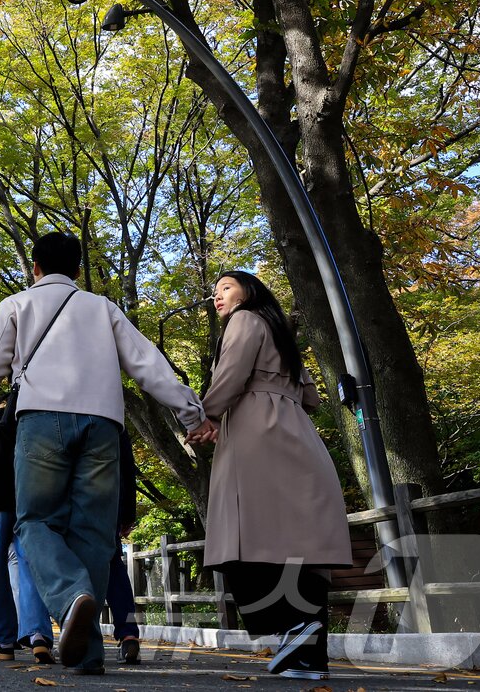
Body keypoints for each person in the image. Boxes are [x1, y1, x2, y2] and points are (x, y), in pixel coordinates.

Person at [0, 232, 214, 675]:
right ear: (79, 271)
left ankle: (70, 598)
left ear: (35, 267)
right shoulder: (103, 308)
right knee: (94, 532)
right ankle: (87, 654)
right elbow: (147, 363)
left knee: (35, 521)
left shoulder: (16, 305)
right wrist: (191, 414)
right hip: (104, 424)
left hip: (41, 421)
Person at [192, 270, 351, 681]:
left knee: (246, 536)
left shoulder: (244, 321)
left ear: (249, 291)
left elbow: (230, 375)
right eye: (214, 292)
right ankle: (309, 658)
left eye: (225, 287)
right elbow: (311, 396)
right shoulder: (280, 332)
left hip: (254, 431)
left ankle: (291, 627)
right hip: (296, 430)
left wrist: (207, 415)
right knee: (301, 542)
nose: (218, 297)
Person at [0, 397, 53, 663]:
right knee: (29, 566)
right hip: (27, 501)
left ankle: (3, 641)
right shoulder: (28, 425)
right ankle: (39, 635)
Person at [105, 430, 141, 665]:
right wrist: (128, 512)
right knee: (114, 567)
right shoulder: (111, 412)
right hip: (110, 499)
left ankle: (83, 635)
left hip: (72, 500)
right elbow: (127, 466)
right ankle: (128, 633)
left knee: (75, 564)